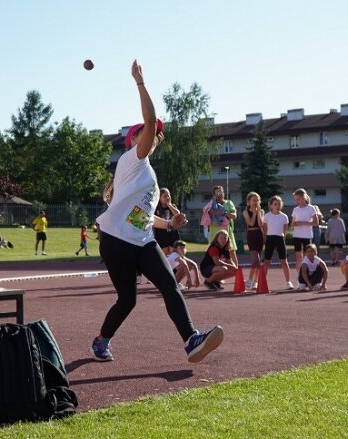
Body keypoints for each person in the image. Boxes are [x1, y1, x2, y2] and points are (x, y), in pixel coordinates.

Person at [91, 60, 223, 364]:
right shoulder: (132, 159)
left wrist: (168, 221)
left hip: (141, 238)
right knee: (127, 300)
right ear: (134, 140)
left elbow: (141, 216)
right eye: (145, 133)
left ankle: (192, 340)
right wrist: (139, 82)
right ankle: (101, 340)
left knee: (169, 285)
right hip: (115, 240)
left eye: (155, 135)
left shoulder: (145, 172)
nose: (153, 135)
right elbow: (150, 122)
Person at [262, 195, 295, 290]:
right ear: (271, 205)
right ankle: (262, 281)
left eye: (279, 204)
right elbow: (265, 229)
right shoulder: (267, 216)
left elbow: (284, 230)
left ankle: (288, 282)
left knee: (284, 261)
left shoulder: (284, 217)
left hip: (280, 239)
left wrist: (282, 237)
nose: (277, 205)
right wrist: (266, 239)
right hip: (270, 239)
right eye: (275, 204)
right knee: (267, 261)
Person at [202, 185, 238, 265]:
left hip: (226, 230)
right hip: (214, 230)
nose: (220, 193)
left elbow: (234, 216)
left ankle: (236, 272)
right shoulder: (210, 204)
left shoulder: (228, 203)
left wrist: (224, 213)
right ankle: (214, 273)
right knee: (214, 252)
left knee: (231, 251)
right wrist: (212, 211)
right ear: (213, 194)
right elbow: (206, 215)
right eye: (217, 192)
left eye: (221, 191)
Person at [291, 188, 318, 289]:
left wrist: (304, 223)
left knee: (309, 257)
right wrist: (294, 224)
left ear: (304, 198)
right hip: (297, 236)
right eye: (295, 199)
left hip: (307, 235)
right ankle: (300, 279)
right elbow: (292, 223)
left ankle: (313, 278)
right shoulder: (295, 209)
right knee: (298, 257)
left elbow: (316, 222)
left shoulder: (311, 208)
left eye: (298, 199)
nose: (296, 201)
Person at [242, 192, 265, 290]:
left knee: (259, 261)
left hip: (259, 234)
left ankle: (255, 281)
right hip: (251, 235)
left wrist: (258, 213)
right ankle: (249, 280)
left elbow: (260, 224)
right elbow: (250, 223)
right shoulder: (245, 211)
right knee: (255, 259)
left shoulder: (261, 211)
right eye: (253, 200)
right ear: (249, 202)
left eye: (257, 200)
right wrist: (254, 213)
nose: (255, 202)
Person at [153, 188, 181, 253]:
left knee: (173, 253)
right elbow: (153, 223)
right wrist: (154, 236)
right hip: (161, 235)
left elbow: (178, 215)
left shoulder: (172, 206)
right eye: (165, 196)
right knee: (164, 253)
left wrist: (169, 205)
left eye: (168, 196)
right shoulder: (156, 208)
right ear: (159, 197)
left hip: (172, 235)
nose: (167, 197)